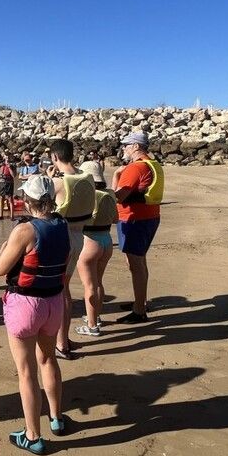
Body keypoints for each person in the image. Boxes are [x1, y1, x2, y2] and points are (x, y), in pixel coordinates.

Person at [0, 175, 69, 455]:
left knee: (26, 372)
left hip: (25, 304)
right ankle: (56, 418)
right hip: (53, 303)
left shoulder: (25, 230)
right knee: (48, 359)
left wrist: (4, 246)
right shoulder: (62, 224)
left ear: (27, 201)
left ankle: (33, 435)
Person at [47, 139, 96, 359]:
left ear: (55, 157)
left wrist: (48, 179)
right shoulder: (88, 177)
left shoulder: (58, 183)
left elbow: (40, 206)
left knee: (60, 291)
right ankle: (63, 339)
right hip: (79, 237)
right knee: (64, 289)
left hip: (61, 240)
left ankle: (61, 343)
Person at [112, 131, 164, 324]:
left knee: (136, 264)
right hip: (149, 217)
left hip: (134, 220)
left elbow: (118, 196)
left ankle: (139, 310)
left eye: (126, 145)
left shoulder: (135, 168)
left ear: (135, 146)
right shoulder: (152, 164)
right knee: (139, 262)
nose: (123, 148)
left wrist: (116, 175)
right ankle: (140, 301)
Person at [74, 161, 118, 336]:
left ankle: (92, 325)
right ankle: (96, 316)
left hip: (89, 241)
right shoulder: (110, 194)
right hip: (106, 240)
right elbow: (115, 219)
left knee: (89, 286)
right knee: (98, 282)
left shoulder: (88, 195)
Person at [0, 150, 17, 221]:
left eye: (8, 156)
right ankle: (1, 215)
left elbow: (13, 175)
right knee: (1, 198)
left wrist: (9, 167)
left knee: (10, 199)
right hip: (2, 182)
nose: (7, 157)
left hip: (9, 182)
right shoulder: (1, 164)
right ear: (3, 157)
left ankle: (12, 216)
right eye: (5, 156)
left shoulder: (13, 165)